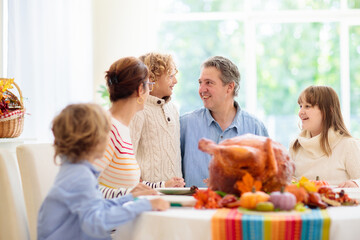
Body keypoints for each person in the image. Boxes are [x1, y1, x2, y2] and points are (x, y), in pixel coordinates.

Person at [37, 103, 169, 240]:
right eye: (107, 132)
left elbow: (97, 206)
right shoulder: (80, 176)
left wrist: (129, 197)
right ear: (93, 139)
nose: (109, 138)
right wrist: (144, 204)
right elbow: (96, 221)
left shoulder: (75, 170)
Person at [93, 57, 182, 199]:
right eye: (149, 85)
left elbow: (129, 186)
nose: (149, 92)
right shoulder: (108, 130)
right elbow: (82, 189)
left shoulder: (122, 129)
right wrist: (128, 194)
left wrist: (163, 185)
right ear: (141, 89)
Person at [180, 56, 269, 187]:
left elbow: (266, 178)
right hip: (193, 206)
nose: (201, 89)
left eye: (209, 83)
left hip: (238, 206)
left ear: (229, 87)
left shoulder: (256, 128)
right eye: (200, 83)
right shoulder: (184, 125)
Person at [129, 53, 184, 187]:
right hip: (149, 194)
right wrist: (161, 185)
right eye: (170, 76)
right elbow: (127, 162)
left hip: (177, 192)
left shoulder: (173, 109)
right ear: (151, 78)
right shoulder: (138, 110)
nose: (175, 81)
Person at [290, 85, 360, 187]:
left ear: (328, 110)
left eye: (308, 106)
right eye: (300, 106)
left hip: (340, 202)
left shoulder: (349, 145)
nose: (300, 112)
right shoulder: (295, 146)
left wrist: (355, 184)